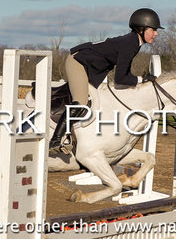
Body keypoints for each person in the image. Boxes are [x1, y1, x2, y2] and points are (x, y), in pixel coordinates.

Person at [48, 8, 164, 155]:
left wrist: (140, 79)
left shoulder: (133, 42)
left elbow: (124, 74)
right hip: (78, 62)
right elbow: (120, 79)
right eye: (153, 29)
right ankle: (55, 140)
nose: (156, 33)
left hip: (88, 66)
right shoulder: (130, 44)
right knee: (81, 101)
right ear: (141, 29)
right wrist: (142, 79)